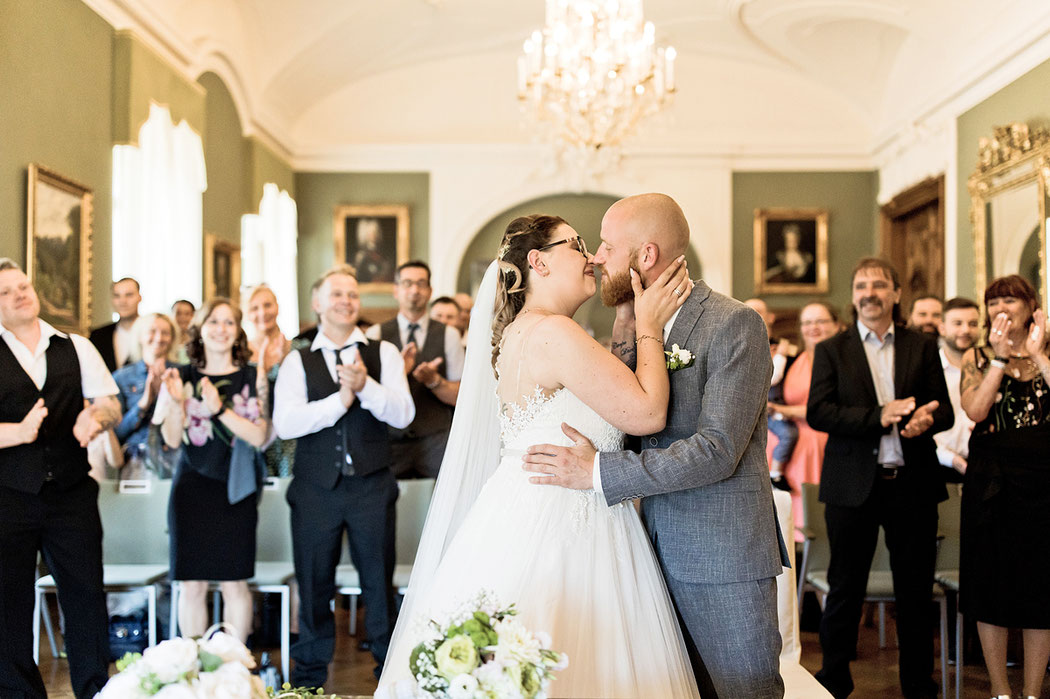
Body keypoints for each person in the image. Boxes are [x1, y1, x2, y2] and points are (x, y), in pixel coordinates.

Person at [379, 213, 700, 698]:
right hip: (563, 520)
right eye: (577, 245)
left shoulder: (528, 332)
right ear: (538, 262)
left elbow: (599, 395)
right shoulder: (554, 333)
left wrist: (625, 324)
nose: (592, 256)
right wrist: (651, 325)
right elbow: (648, 412)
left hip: (525, 506)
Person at [521, 195, 789, 698]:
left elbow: (717, 449)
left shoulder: (733, 324)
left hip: (719, 555)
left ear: (646, 256)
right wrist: (630, 331)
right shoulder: (629, 323)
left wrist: (599, 473)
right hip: (639, 553)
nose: (596, 257)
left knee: (743, 691)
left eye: (605, 245)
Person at [807, 257, 953, 699]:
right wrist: (878, 415)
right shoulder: (833, 348)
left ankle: (917, 683)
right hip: (853, 487)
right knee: (845, 589)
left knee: (914, 590)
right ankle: (834, 679)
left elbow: (943, 409)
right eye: (860, 285)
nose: (869, 292)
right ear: (853, 296)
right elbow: (819, 411)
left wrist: (928, 418)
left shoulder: (922, 345)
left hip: (913, 484)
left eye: (878, 284)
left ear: (895, 294)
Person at [272, 266, 414, 688]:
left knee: (378, 582)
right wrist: (341, 400)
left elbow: (403, 415)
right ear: (317, 303)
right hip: (316, 489)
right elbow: (286, 424)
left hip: (372, 485)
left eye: (352, 294)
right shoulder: (298, 360)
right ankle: (310, 678)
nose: (347, 301)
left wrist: (366, 387)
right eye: (337, 293)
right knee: (314, 583)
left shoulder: (383, 353)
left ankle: (388, 673)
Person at [0, 257, 120, 699]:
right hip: (8, 496)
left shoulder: (76, 346)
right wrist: (17, 433)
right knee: (9, 601)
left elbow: (110, 401)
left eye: (23, 285)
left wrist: (97, 417)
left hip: (71, 493)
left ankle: (96, 690)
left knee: (86, 596)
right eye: (6, 291)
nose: (19, 294)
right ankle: (18, 693)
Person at [156, 298, 269, 643]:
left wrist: (219, 410)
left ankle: (234, 663)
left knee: (235, 583)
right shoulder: (180, 375)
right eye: (213, 322)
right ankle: (193, 668)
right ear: (199, 330)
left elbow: (260, 436)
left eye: (229, 322)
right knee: (191, 584)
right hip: (191, 487)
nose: (221, 329)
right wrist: (177, 403)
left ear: (238, 332)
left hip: (236, 488)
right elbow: (173, 441)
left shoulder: (253, 375)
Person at [959, 275, 1050, 699]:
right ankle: (1000, 691)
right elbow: (976, 410)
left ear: (1030, 306)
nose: (1001, 306)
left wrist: (1037, 355)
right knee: (990, 585)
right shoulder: (976, 357)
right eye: (994, 300)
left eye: (1010, 299)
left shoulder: (1047, 354)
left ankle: (1032, 692)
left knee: (1040, 590)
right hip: (991, 483)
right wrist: (998, 359)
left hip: (1043, 482)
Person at [367, 261, 464, 478]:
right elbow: (369, 395)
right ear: (396, 290)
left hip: (436, 440)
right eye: (407, 283)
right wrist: (398, 373)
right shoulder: (375, 334)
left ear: (429, 291)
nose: (414, 290)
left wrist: (434, 381)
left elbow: (461, 396)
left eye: (421, 284)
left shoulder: (449, 335)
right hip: (389, 440)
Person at [765, 301, 839, 535]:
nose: (813, 327)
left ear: (836, 325)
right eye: (807, 322)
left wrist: (781, 411)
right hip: (786, 444)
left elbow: (831, 408)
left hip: (822, 442)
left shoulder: (841, 362)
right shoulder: (794, 360)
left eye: (820, 321)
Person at [112, 313, 179, 479]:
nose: (159, 337)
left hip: (176, 457)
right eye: (152, 331)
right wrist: (144, 403)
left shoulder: (182, 373)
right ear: (140, 337)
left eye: (165, 332)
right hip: (136, 461)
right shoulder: (121, 377)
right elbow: (116, 432)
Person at [745, 298, 799, 491]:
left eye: (759, 310)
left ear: (771, 317)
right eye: (747, 310)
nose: (753, 314)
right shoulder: (740, 348)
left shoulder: (786, 350)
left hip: (782, 409)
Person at [247, 284, 295, 477]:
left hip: (289, 440)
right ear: (247, 313)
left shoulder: (299, 348)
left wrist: (284, 363)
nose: (262, 313)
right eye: (254, 308)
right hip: (252, 437)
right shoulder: (237, 355)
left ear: (277, 307)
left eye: (268, 305)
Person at [934, 297, 979, 482]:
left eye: (973, 323)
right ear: (942, 328)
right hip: (939, 466)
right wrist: (953, 460)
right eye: (957, 323)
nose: (965, 330)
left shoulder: (990, 368)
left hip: (981, 464)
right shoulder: (930, 368)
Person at [90, 277, 142, 371]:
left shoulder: (154, 334)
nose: (122, 301)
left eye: (129, 295)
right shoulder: (98, 336)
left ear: (139, 297)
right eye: (117, 296)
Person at [170, 299, 195, 363]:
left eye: (187, 314)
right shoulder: (165, 340)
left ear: (193, 316)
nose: (182, 317)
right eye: (178, 313)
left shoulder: (199, 341)